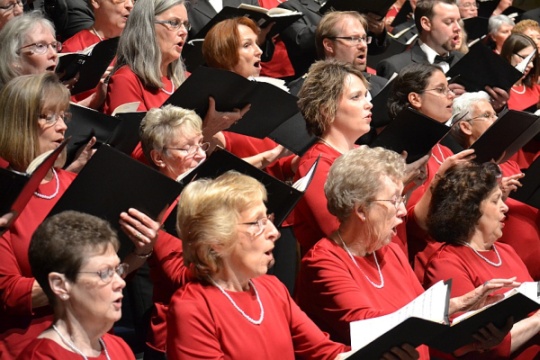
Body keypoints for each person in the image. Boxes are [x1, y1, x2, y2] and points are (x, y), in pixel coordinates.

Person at [296, 146, 516, 358]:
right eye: (394, 201)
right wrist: (453, 305)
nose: (403, 211)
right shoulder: (322, 262)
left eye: (402, 199)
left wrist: (474, 336)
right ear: (361, 210)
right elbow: (366, 324)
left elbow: (423, 326)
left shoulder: (390, 251)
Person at [0, 73, 160, 359]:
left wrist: (141, 251)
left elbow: (112, 269)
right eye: (47, 117)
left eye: (63, 116)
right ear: (18, 122)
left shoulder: (77, 184)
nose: (62, 127)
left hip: (94, 339)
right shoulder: (4, 197)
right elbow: (9, 293)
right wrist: (84, 281)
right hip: (32, 344)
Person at [166, 171, 350, 359]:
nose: (274, 232)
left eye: (267, 219)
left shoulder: (273, 288)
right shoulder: (192, 309)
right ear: (216, 241)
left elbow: (327, 353)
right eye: (257, 222)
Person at [423, 162, 540, 359]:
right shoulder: (447, 263)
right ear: (471, 211)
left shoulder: (506, 250)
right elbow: (471, 346)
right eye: (495, 201)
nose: (505, 207)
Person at [18, 211, 135, 359]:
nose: (120, 282)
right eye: (105, 273)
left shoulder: (119, 347)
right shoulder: (42, 356)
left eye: (117, 269)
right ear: (60, 285)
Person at [449, 91, 540, 279]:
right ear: (466, 126)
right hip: (508, 260)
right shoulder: (463, 171)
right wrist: (498, 194)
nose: (496, 120)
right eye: (487, 116)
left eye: (495, 114)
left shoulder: (509, 162)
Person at [138, 104, 202, 358]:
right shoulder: (155, 207)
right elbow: (183, 275)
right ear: (159, 158)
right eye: (187, 148)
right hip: (176, 337)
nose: (198, 154)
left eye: (200, 143)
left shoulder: (203, 187)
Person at [291, 60, 373, 255]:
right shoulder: (315, 164)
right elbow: (344, 234)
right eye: (356, 97)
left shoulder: (366, 153)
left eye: (366, 96)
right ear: (326, 109)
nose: (368, 104)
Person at [201, 16, 293, 176]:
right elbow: (220, 173)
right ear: (224, 55)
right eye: (247, 45)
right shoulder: (212, 112)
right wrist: (272, 156)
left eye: (256, 43)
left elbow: (281, 166)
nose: (259, 51)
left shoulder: (267, 98)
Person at [0, 11, 105, 109]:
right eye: (40, 46)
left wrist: (95, 99)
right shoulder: (10, 106)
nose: (54, 54)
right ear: (14, 59)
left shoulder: (49, 95)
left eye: (54, 46)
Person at [278, 0, 389, 79]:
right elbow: (301, 40)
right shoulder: (289, 8)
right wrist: (339, 22)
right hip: (316, 78)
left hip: (357, 76)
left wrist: (378, 31)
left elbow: (373, 49)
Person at [288, 11, 388, 97]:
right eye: (354, 39)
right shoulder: (304, 93)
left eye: (364, 38)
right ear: (329, 45)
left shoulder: (383, 87)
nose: (363, 46)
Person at [377, 0, 464, 78]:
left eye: (458, 21)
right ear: (426, 24)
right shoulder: (397, 67)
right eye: (449, 22)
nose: (458, 28)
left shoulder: (464, 60)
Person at [500, 33, 540, 113]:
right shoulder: (500, 93)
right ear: (509, 56)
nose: (531, 65)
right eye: (525, 58)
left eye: (532, 60)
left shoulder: (536, 87)